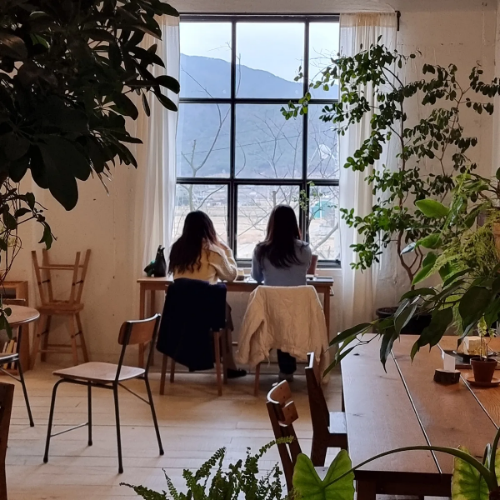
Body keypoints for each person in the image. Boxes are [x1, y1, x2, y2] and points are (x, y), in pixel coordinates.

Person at [168, 211, 246, 378]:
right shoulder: (213, 252)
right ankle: (229, 366)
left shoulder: (176, 249)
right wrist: (227, 252)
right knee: (224, 312)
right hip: (205, 315)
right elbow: (231, 275)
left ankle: (219, 363)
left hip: (179, 315)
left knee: (225, 309)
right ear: (208, 229)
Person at [251, 205, 312, 382]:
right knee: (287, 320)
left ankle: (284, 371)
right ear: (294, 224)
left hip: (272, 313)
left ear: (272, 225)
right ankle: (289, 372)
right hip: (298, 313)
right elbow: (304, 271)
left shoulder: (261, 250)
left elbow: (257, 277)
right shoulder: (304, 250)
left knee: (278, 320)